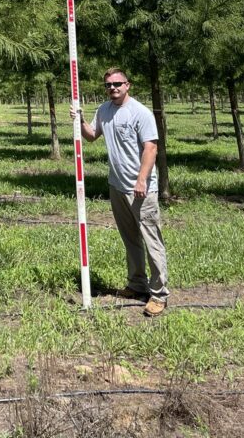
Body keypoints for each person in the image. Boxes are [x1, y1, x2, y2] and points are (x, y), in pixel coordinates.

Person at [71, 68, 169, 316]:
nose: (113, 88)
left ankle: (159, 294)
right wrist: (79, 120)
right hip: (117, 186)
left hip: (141, 189)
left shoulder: (140, 113)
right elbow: (92, 136)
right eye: (108, 85)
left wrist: (141, 180)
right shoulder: (104, 110)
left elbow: (151, 149)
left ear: (128, 85)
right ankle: (137, 285)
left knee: (151, 241)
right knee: (130, 239)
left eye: (117, 83)